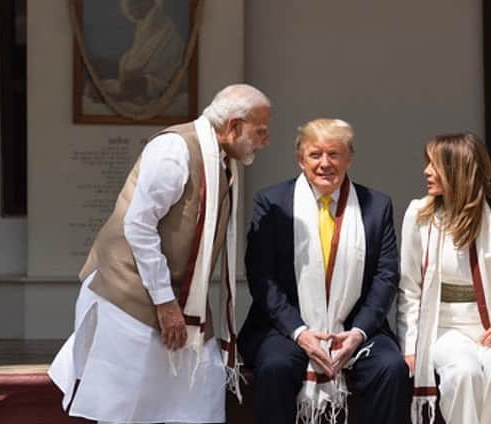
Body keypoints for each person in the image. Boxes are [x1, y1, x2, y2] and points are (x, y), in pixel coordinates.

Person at [48, 84, 271, 424]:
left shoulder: (223, 161)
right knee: (126, 408)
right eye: (260, 131)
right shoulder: (175, 150)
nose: (264, 140)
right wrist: (166, 304)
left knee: (204, 393)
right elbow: (138, 226)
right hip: (129, 297)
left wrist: (172, 304)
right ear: (234, 126)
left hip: (183, 303)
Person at [238, 118, 409, 424]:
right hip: (286, 326)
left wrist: (357, 334)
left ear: (350, 157)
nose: (325, 164)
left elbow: (386, 277)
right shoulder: (273, 202)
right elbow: (260, 275)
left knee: (390, 366)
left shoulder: (376, 206)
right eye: (315, 154)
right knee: (275, 366)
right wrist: (301, 333)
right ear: (300, 159)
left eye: (334, 154)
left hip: (355, 326)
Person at [397, 132, 491, 424]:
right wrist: (410, 346)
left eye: (434, 165)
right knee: (464, 372)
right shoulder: (419, 215)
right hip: (443, 327)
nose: (426, 172)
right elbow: (410, 288)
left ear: (457, 169)